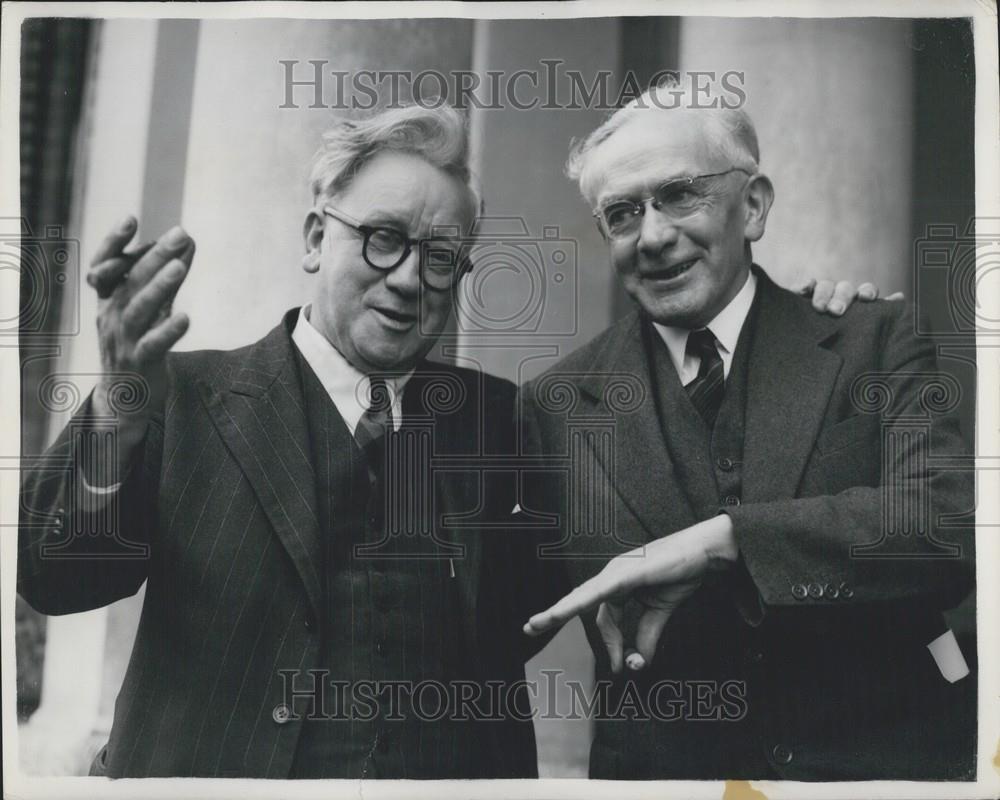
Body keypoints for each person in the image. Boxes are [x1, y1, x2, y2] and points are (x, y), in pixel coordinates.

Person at [18, 100, 875, 780]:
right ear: (317, 237)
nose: (408, 280)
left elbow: (678, 499)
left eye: (440, 257)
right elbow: (54, 576)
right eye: (383, 239)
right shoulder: (181, 396)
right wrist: (117, 412)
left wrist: (789, 333)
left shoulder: (509, 421)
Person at [521, 79, 974, 781]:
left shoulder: (873, 341)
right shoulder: (554, 405)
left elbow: (947, 528)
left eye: (679, 194)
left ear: (753, 206)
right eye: (622, 213)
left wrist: (729, 539)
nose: (653, 236)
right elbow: (485, 609)